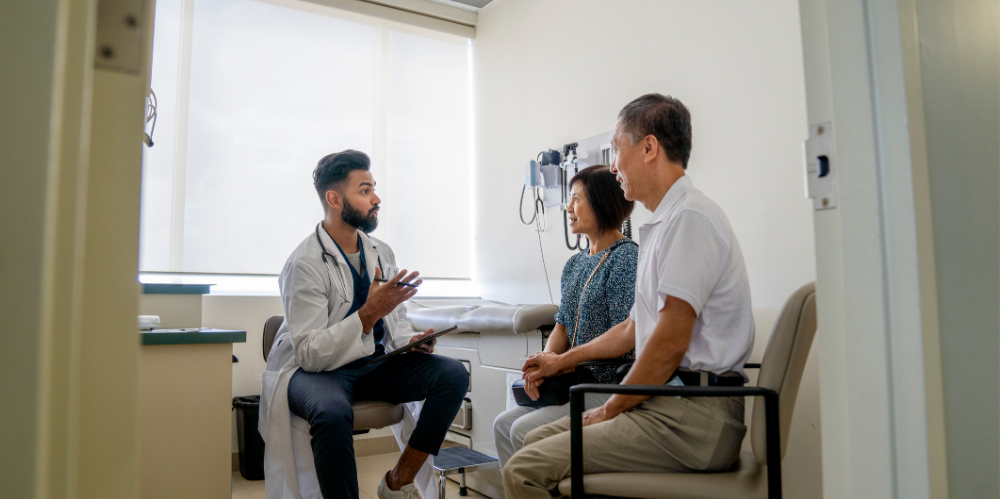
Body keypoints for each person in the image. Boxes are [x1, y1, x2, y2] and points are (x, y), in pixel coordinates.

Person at [502, 94, 755, 499]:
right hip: (670, 401)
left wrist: (612, 406)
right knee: (529, 443)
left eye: (617, 149)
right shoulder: (666, 224)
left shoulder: (690, 219)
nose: (614, 164)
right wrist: (561, 362)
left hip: (692, 415)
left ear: (649, 148)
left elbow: (669, 342)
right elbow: (633, 329)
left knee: (524, 470)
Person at [259, 150, 469, 499]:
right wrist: (369, 312)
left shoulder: (380, 251)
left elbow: (395, 321)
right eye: (366, 190)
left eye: (374, 189)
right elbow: (310, 353)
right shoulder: (304, 264)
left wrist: (410, 341)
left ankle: (398, 482)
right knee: (330, 412)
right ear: (335, 198)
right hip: (315, 373)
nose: (377, 199)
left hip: (372, 363)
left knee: (452, 375)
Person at [493, 165, 637, 468]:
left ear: (602, 202)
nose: (567, 208)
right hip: (570, 380)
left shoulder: (626, 258)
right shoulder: (574, 265)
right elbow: (562, 325)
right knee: (503, 425)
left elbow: (626, 334)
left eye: (576, 199)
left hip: (604, 384)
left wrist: (561, 363)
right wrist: (545, 364)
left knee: (523, 429)